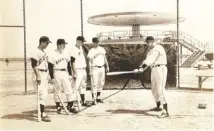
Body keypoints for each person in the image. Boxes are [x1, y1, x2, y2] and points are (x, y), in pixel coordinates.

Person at [135, 36, 169, 118]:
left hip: (160, 68)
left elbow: (150, 60)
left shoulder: (158, 48)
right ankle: (158, 106)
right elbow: (146, 61)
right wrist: (140, 68)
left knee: (160, 89)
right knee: (154, 89)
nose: (146, 44)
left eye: (147, 42)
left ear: (151, 41)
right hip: (154, 69)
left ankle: (165, 111)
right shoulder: (150, 51)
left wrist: (142, 68)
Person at [48, 39, 78, 114]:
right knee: (57, 90)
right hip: (56, 72)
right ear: (58, 45)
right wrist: (52, 77)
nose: (64, 46)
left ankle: (70, 106)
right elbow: (50, 66)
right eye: (63, 44)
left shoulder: (66, 53)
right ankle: (58, 106)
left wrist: (70, 74)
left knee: (69, 89)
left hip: (65, 72)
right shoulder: (52, 54)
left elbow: (68, 65)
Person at [30, 36, 52, 122]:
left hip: (45, 74)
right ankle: (42, 114)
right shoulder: (35, 51)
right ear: (42, 42)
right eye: (47, 43)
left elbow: (46, 65)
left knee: (44, 94)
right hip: (38, 73)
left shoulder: (44, 52)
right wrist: (38, 75)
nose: (47, 45)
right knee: (41, 94)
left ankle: (41, 112)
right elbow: (34, 65)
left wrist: (49, 76)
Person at [87, 37, 109, 105]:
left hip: (102, 67)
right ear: (93, 43)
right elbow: (89, 61)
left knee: (101, 82)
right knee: (94, 83)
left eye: (98, 42)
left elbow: (104, 58)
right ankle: (94, 99)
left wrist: (107, 66)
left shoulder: (102, 49)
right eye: (96, 42)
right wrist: (90, 70)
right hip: (95, 68)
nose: (97, 43)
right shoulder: (91, 51)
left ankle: (98, 97)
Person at [70, 36, 90, 107]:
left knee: (83, 86)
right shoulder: (73, 49)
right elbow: (72, 62)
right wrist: (74, 73)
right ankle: (70, 104)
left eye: (83, 42)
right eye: (81, 42)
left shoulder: (81, 48)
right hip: (77, 70)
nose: (82, 43)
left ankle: (83, 101)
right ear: (77, 41)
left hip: (83, 69)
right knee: (75, 87)